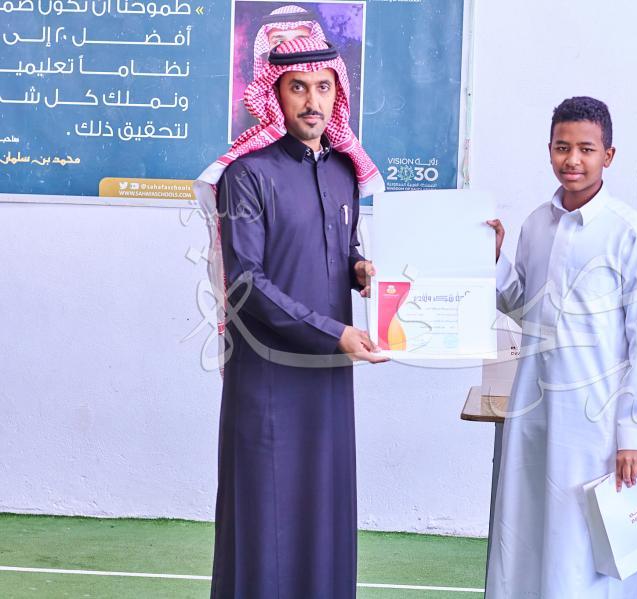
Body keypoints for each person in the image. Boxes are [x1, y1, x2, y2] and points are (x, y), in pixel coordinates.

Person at [205, 34, 387, 598]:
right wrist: (335, 334)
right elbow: (245, 284)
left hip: (329, 375)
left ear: (338, 94)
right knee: (265, 515)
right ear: (275, 96)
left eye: (323, 88)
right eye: (298, 88)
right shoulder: (247, 175)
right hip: (268, 375)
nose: (313, 101)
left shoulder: (343, 173)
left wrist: (361, 269)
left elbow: (340, 249)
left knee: (324, 507)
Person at [486, 97, 637, 598]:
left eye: (586, 149)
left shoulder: (630, 232)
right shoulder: (536, 225)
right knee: (528, 530)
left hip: (596, 420)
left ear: (609, 155)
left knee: (587, 545)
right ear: (549, 150)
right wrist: (495, 260)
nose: (573, 160)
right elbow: (524, 307)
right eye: (562, 147)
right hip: (535, 408)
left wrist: (633, 433)